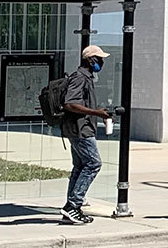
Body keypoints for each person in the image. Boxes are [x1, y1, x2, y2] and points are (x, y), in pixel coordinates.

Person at [60, 45, 114, 225]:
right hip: (80, 129)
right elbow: (70, 104)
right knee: (93, 163)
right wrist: (96, 113)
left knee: (80, 166)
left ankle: (71, 207)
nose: (101, 62)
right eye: (99, 59)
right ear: (90, 60)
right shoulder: (80, 78)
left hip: (80, 128)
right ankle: (73, 206)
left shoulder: (86, 78)